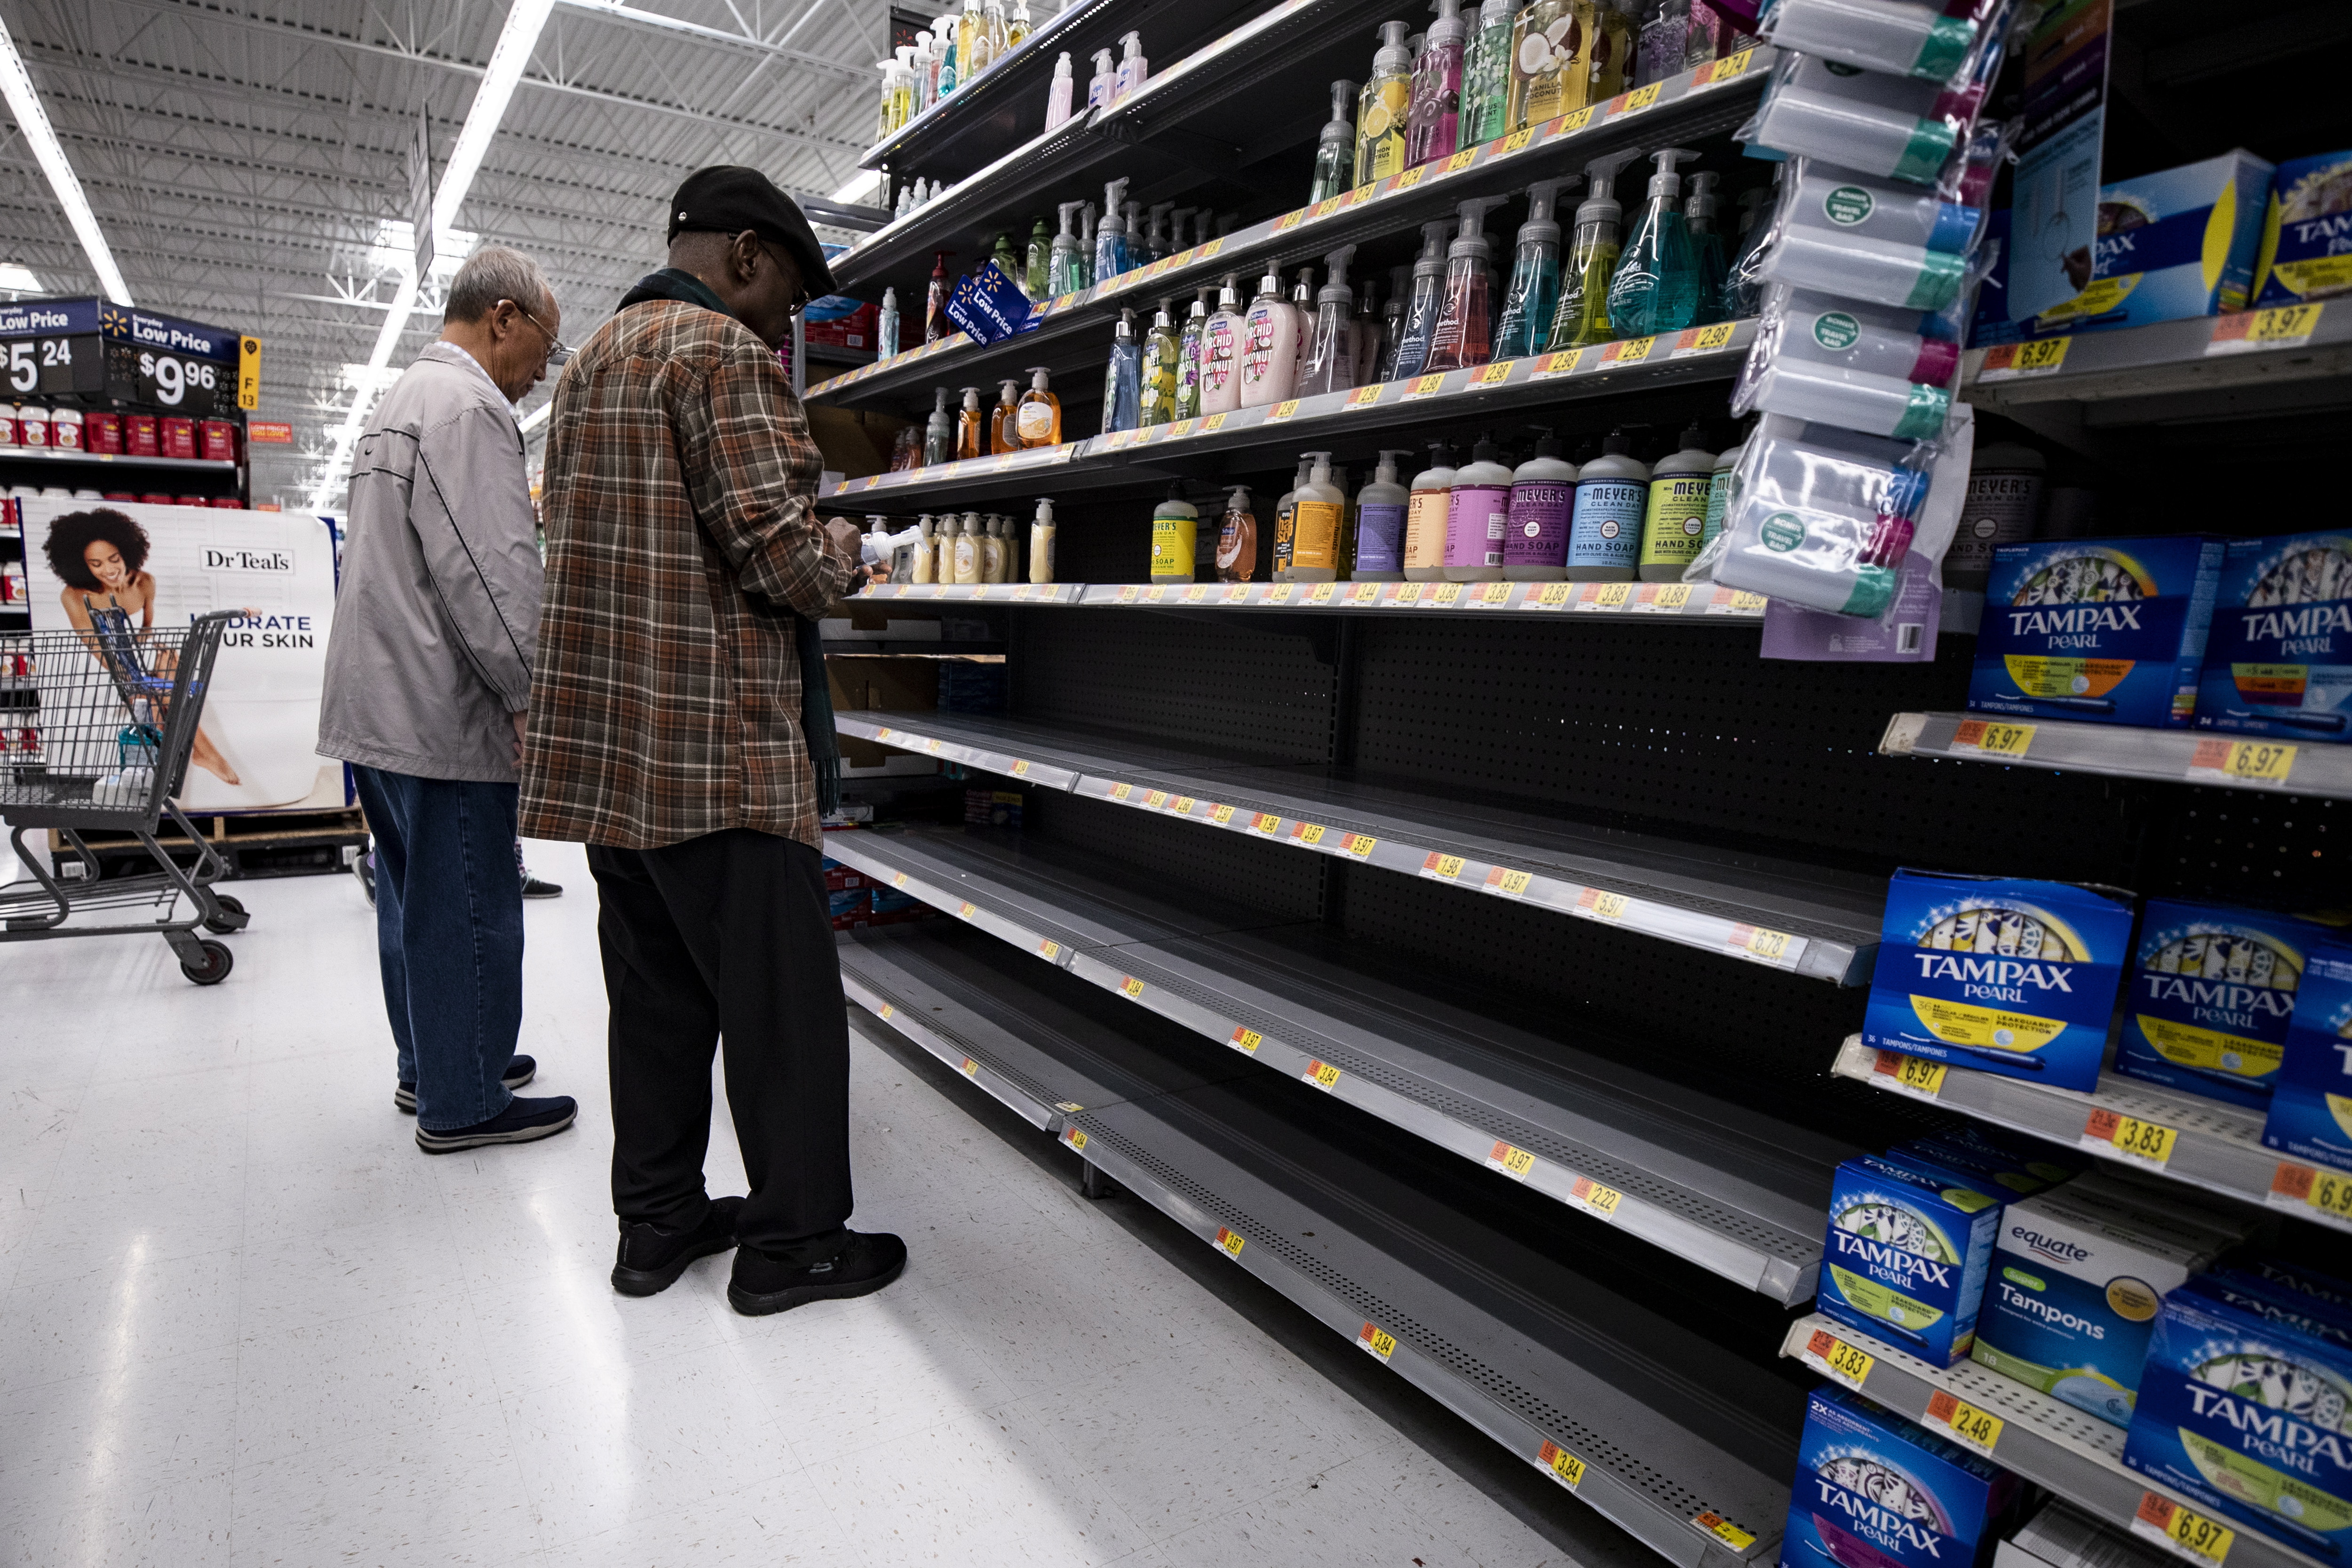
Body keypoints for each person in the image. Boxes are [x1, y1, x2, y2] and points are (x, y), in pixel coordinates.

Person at [524, 167, 904, 1315]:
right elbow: (779, 555)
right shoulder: (722, 355)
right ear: (743, 254)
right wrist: (858, 553)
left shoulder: (592, 359)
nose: (791, 320)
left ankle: (658, 1223)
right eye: (788, 287)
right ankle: (792, 1244)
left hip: (613, 762)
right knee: (781, 1012)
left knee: (654, 1002)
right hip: (718, 758)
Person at [318, 245, 577, 1154]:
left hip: (378, 698)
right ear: (502, 317)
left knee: (410, 895)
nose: (544, 366)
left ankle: (432, 1062)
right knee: (470, 896)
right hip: (436, 702)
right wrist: (529, 694)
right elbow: (489, 573)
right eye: (543, 342)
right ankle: (464, 1100)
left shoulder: (404, 398)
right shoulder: (470, 407)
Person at [43, 508, 241, 785]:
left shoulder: (145, 582)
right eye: (96, 564)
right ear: (81, 565)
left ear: (127, 552)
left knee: (170, 663)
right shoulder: (75, 596)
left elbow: (147, 627)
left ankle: (186, 753)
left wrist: (151, 643)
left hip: (138, 655)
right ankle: (207, 754)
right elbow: (94, 645)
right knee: (157, 694)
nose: (110, 570)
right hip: (110, 664)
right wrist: (133, 676)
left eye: (114, 559)